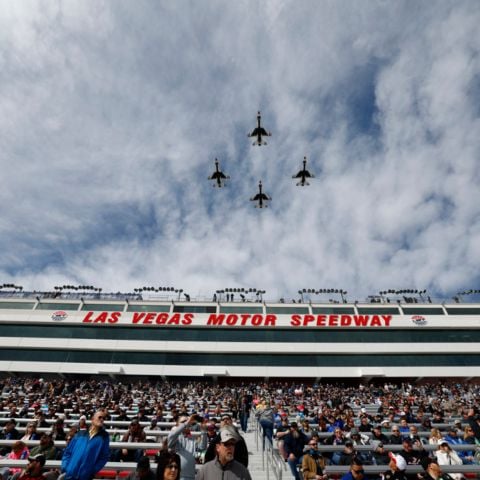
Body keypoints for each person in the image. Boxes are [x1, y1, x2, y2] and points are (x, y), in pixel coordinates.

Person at [61, 409, 110, 480]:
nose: (102, 419)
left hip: (85, 476)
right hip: (70, 474)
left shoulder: (104, 437)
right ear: (92, 419)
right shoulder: (80, 434)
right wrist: (65, 467)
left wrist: (92, 470)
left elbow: (104, 457)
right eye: (100, 417)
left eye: (103, 418)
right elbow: (68, 452)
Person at [168, 414, 206, 480]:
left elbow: (202, 448)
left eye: (188, 421)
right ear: (177, 425)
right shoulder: (175, 437)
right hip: (177, 477)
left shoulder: (192, 439)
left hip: (191, 477)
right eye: (183, 422)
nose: (187, 423)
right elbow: (171, 437)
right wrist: (187, 422)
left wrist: (204, 430)